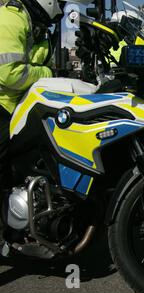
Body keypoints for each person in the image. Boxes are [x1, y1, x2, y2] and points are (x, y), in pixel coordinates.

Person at [0, 0, 91, 200]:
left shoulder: (38, 28)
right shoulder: (12, 18)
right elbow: (9, 74)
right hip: (3, 104)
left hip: (20, 104)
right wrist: (49, 74)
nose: (62, 5)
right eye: (60, 1)